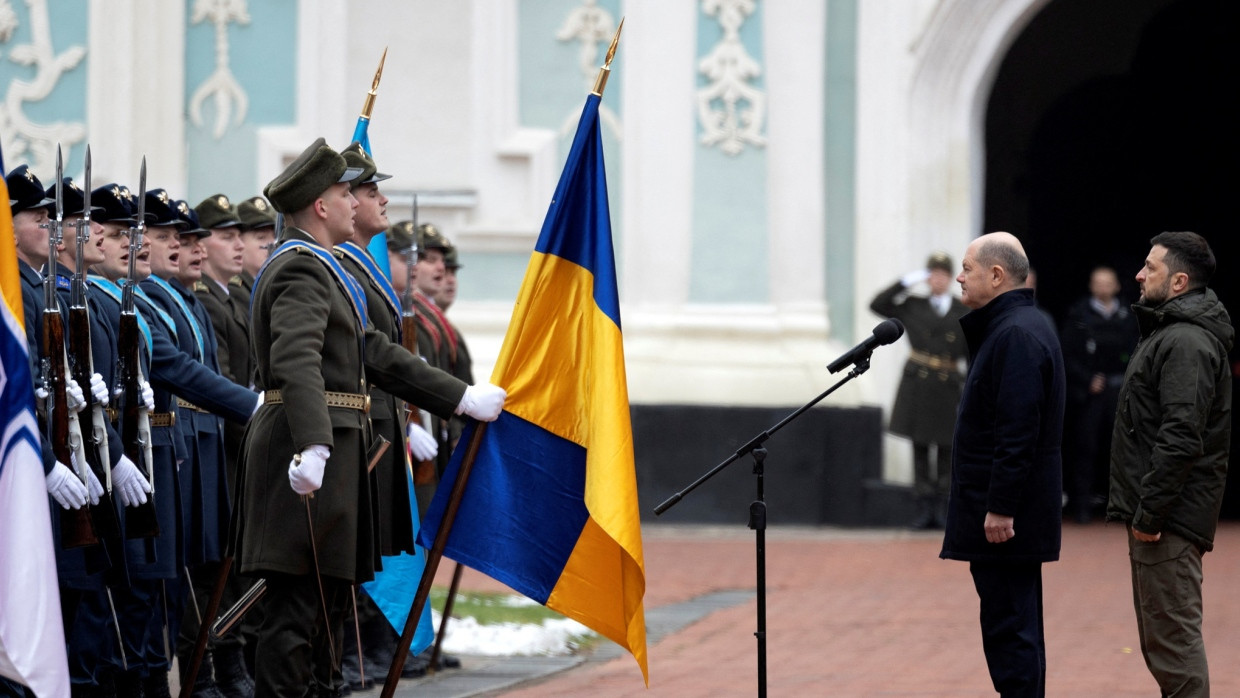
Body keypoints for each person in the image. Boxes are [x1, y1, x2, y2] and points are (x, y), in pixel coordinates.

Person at [236, 137, 505, 697]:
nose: (356, 202)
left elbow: (374, 352)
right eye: (344, 192)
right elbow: (296, 360)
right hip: (309, 451)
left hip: (334, 453)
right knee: (297, 610)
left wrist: (459, 398)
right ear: (320, 206)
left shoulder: (326, 269)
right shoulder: (300, 270)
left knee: (328, 609)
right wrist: (311, 444)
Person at [1108, 231, 1232, 697]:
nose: (1139, 275)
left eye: (1150, 268)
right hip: (1164, 518)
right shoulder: (1170, 333)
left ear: (1179, 282)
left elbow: (1181, 437)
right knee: (1165, 647)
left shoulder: (1185, 342)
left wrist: (1150, 515)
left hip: (1169, 523)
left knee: (1175, 652)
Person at [942, 231, 1065, 698]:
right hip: (1006, 514)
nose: (959, 277)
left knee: (1010, 631)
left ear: (996, 275)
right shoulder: (1013, 327)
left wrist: (1001, 507)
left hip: (1005, 521)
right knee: (1015, 627)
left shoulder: (1014, 333)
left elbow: (1018, 432)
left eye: (967, 268)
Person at [870, 252, 968, 528]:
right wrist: (904, 282)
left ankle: (945, 508)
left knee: (948, 447)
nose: (937, 280)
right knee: (921, 446)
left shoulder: (963, 309)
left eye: (942, 275)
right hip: (920, 382)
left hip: (948, 382)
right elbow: (878, 304)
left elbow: (972, 349)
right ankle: (924, 508)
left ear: (950, 278)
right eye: (932, 274)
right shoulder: (913, 305)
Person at [1060, 266, 1138, 523]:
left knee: (1122, 450)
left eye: (1108, 283)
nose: (1103, 288)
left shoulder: (1130, 315)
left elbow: (1140, 352)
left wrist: (1128, 380)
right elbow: (1066, 354)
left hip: (1121, 390)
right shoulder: (1079, 314)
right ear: (1091, 286)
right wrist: (1086, 379)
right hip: (1090, 393)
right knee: (1085, 448)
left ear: (1116, 286)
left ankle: (1122, 507)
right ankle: (1081, 506)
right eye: (1098, 283)